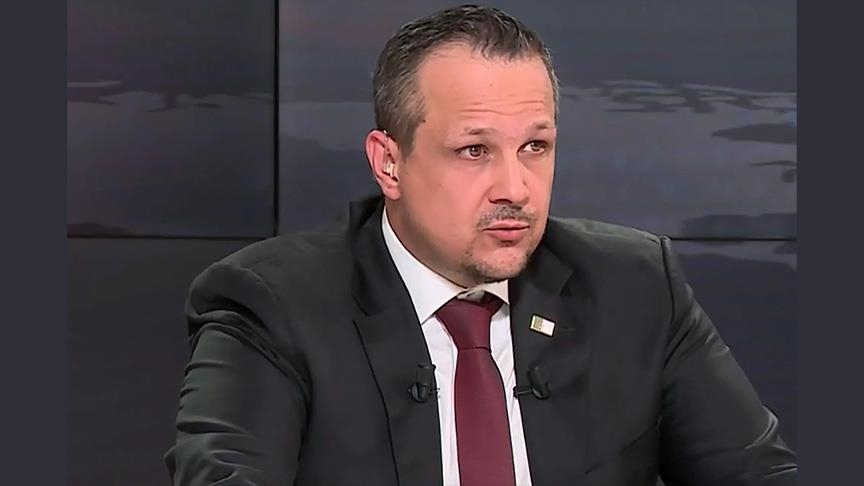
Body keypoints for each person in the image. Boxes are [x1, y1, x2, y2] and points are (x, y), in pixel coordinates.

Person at [165, 5, 797, 485]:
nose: (516, 188)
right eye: (474, 150)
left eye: (535, 147)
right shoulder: (273, 304)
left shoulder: (635, 286)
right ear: (389, 163)